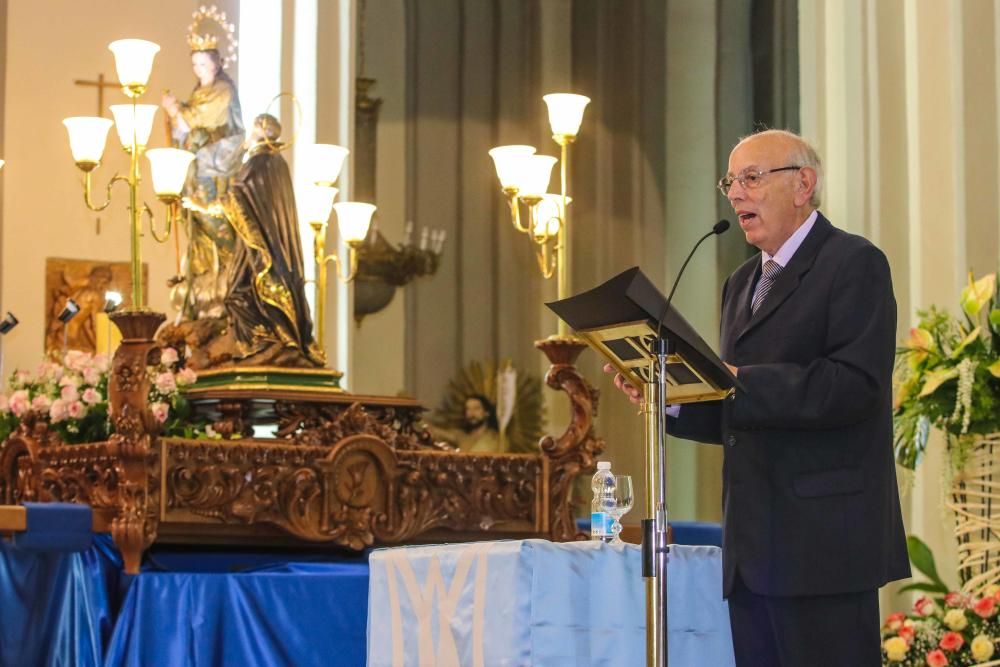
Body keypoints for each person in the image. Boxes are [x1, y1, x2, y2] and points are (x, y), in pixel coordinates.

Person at [606, 129, 909, 666]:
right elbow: (739, 411)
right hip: (754, 549)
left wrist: (737, 377)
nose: (737, 194)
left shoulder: (853, 262)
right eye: (730, 183)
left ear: (803, 184)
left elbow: (853, 387)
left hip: (824, 546)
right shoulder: (741, 283)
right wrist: (669, 397)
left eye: (751, 178)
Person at [219, 114, 324, 367]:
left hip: (258, 241)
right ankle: (274, 339)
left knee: (237, 291)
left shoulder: (258, 162)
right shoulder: (278, 163)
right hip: (269, 238)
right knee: (243, 289)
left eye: (254, 127)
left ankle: (264, 339)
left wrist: (214, 202)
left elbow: (239, 195)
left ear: (260, 131)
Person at [162, 48, 245, 320]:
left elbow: (195, 121)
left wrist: (177, 112)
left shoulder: (223, 91)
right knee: (196, 227)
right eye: (195, 64)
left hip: (215, 168)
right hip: (196, 168)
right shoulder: (198, 94)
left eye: (204, 63)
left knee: (215, 224)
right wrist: (176, 117)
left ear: (217, 64)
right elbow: (185, 130)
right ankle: (204, 278)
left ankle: (227, 279)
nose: (199, 69)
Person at [429, 395, 501, 453]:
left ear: (487, 413)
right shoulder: (462, 436)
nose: (471, 413)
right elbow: (437, 432)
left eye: (476, 408)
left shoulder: (495, 438)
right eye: (468, 409)